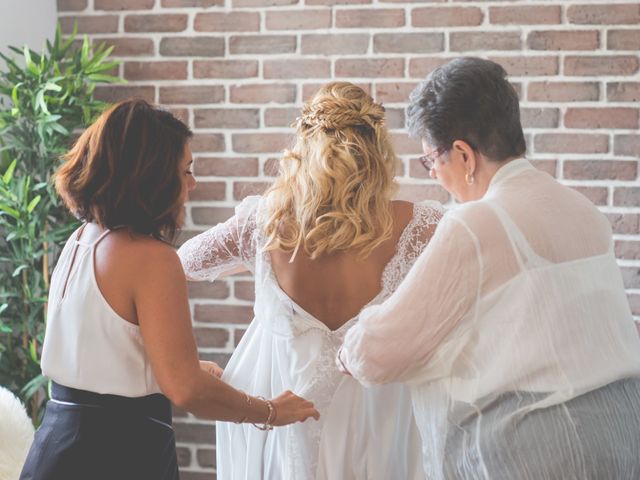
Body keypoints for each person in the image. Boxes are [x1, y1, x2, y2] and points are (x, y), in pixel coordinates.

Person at [337, 57, 640, 480]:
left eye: (430, 161)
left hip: (537, 452)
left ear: (462, 154)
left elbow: (378, 351)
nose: (435, 176)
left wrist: (348, 350)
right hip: (625, 435)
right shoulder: (584, 211)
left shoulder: (476, 225)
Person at [20, 100, 319, 480]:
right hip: (117, 454)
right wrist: (273, 411)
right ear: (151, 176)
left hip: (56, 446)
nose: (193, 183)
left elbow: (98, 352)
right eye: (186, 170)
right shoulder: (151, 259)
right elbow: (187, 391)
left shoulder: (81, 240)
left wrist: (178, 367)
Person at [178, 82, 443, 479]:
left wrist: (257, 260)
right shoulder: (421, 226)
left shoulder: (263, 224)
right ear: (377, 152)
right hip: (379, 418)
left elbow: (180, 264)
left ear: (302, 148)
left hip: (277, 408)